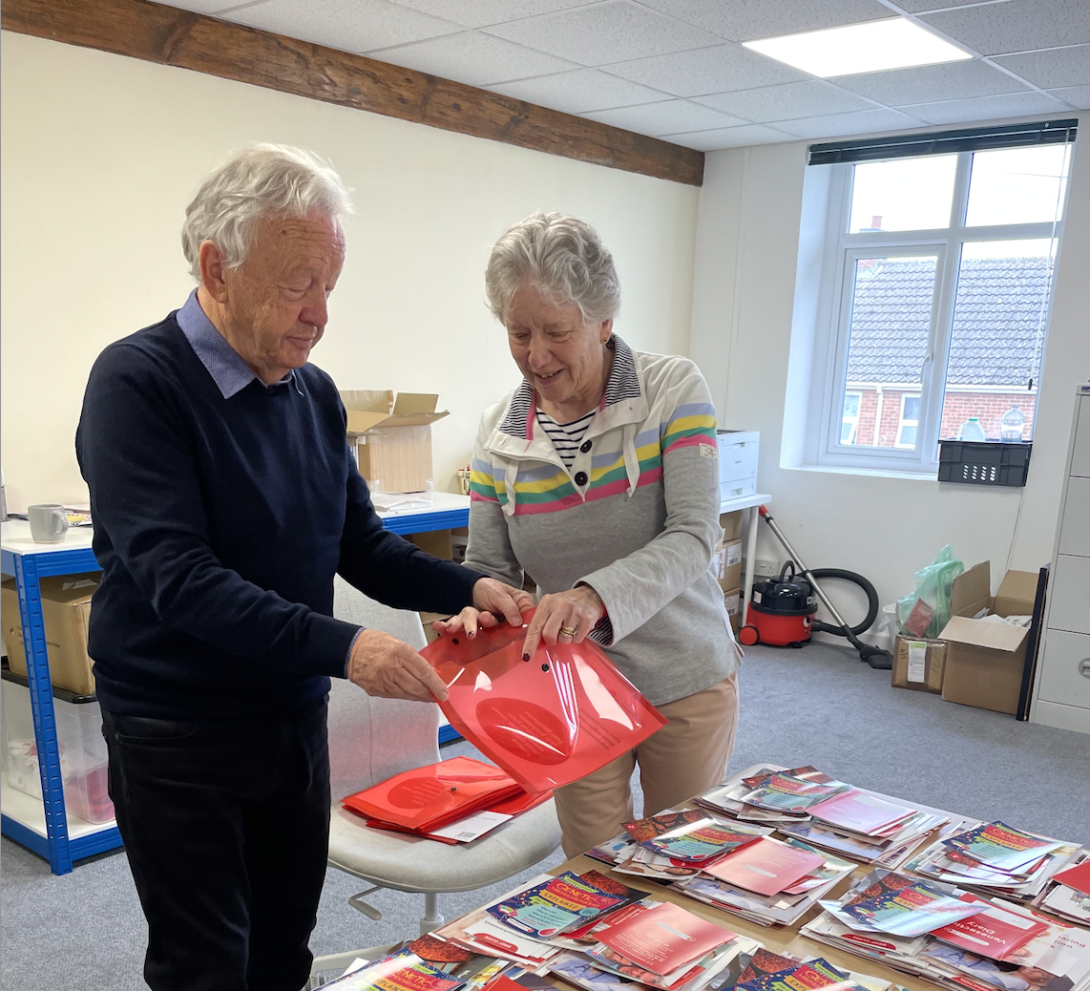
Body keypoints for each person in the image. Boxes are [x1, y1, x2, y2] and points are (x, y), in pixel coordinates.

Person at [75, 144, 531, 991]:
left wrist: (467, 585)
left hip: (289, 716)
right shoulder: (136, 383)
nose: (319, 312)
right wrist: (352, 648)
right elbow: (182, 577)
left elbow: (360, 545)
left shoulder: (312, 393)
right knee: (205, 962)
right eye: (297, 283)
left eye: (330, 285)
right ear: (216, 267)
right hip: (177, 730)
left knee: (285, 946)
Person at [436, 212, 741, 857]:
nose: (535, 356)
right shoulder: (499, 435)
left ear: (605, 323)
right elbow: (489, 566)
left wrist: (592, 596)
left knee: (682, 866)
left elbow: (694, 534)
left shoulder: (671, 391)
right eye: (518, 333)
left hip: (680, 670)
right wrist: (475, 608)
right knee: (594, 873)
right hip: (570, 686)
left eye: (556, 332)